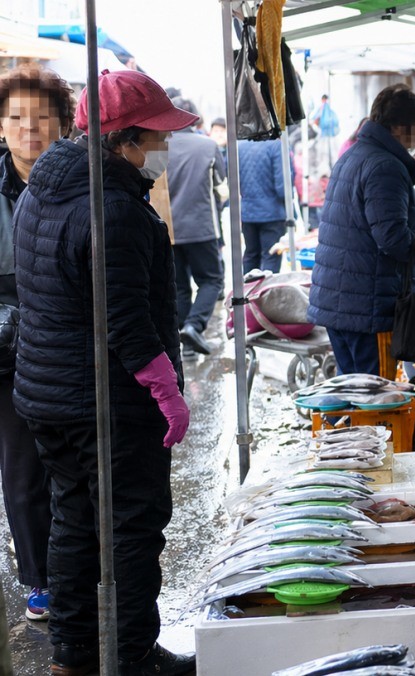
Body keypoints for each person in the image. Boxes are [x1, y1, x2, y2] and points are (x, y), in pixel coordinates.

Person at [12, 68, 194, 676]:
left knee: (72, 521)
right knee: (131, 528)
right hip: (104, 404)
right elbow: (127, 322)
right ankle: (132, 652)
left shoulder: (43, 188)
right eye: (157, 137)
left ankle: (73, 652)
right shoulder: (112, 207)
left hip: (49, 397)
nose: (164, 148)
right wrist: (166, 391)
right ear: (125, 139)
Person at [308, 85, 415, 376]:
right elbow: (392, 237)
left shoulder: (354, 154)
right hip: (368, 308)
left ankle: (347, 422)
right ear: (398, 127)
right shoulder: (385, 165)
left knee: (355, 391)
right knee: (376, 397)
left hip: (344, 303)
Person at [0, 63, 70, 625]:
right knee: (23, 474)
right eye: (17, 117)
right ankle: (40, 578)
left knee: (77, 467)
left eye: (42, 117)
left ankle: (79, 566)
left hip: (71, 349)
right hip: (8, 355)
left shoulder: (82, 185)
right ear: (1, 126)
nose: (30, 129)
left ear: (62, 125)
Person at [168, 98, 227, 356]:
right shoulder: (208, 146)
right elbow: (222, 189)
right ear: (195, 118)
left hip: (168, 229)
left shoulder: (158, 146)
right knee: (212, 280)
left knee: (179, 285)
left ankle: (185, 343)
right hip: (202, 227)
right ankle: (194, 326)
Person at [237, 137, 290, 273]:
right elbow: (283, 186)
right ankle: (266, 293)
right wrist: (290, 212)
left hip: (247, 212)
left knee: (250, 255)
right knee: (270, 255)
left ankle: (248, 292)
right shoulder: (276, 145)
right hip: (272, 213)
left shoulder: (239, 146)